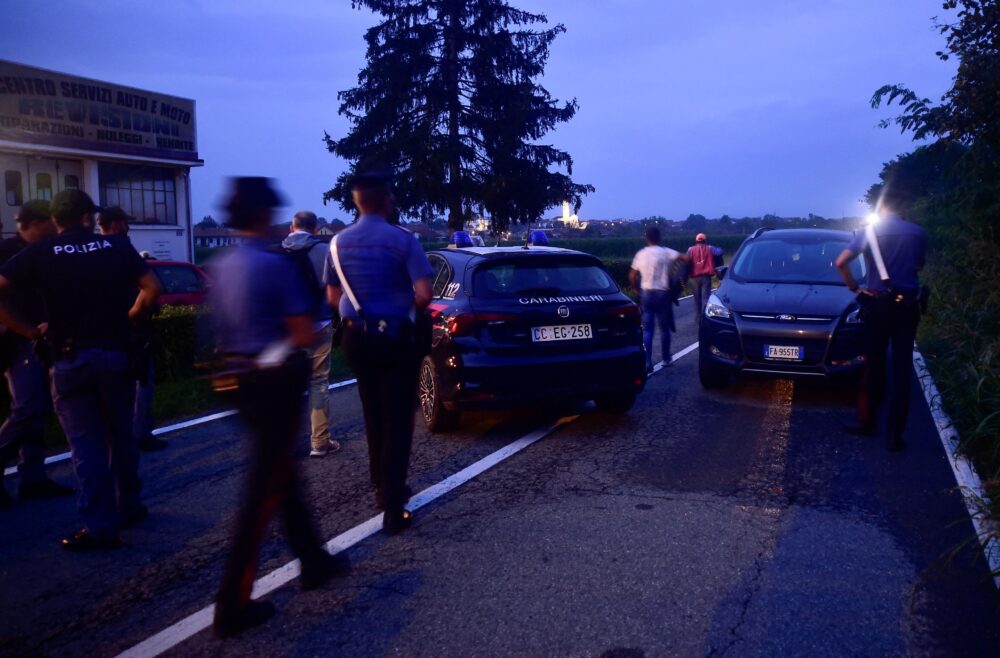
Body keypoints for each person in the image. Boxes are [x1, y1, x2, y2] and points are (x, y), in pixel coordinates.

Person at [209, 177, 347, 638]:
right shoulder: (273, 267)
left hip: (238, 381)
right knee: (262, 490)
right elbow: (303, 333)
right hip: (274, 382)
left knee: (282, 475)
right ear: (264, 218)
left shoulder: (223, 264)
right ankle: (232, 602)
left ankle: (313, 560)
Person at [0, 189, 160, 549]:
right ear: (88, 217)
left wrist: (28, 330)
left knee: (86, 444)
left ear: (56, 220)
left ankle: (101, 527)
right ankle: (129, 506)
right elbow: (152, 287)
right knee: (121, 434)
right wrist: (131, 316)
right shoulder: (117, 247)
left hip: (70, 359)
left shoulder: (40, 253)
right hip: (116, 354)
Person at [325, 167, 433, 534]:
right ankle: (392, 504)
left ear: (356, 202)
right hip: (395, 339)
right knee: (399, 419)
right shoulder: (402, 240)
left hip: (357, 340)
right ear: (386, 201)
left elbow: (332, 297)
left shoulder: (337, 244)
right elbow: (424, 295)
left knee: (373, 414)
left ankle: (377, 486)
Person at [835, 190, 928, 452]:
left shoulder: (869, 232)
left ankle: (869, 423)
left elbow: (841, 262)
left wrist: (856, 288)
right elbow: (919, 266)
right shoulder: (917, 233)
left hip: (877, 304)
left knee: (874, 364)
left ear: (881, 207)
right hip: (907, 306)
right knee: (902, 369)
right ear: (902, 208)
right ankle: (895, 435)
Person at [0, 200, 74, 509]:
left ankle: (33, 477)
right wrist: (26, 331)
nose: (54, 226)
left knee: (39, 409)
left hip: (40, 343)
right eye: (49, 222)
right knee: (27, 408)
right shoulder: (8, 253)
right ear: (32, 223)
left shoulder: (47, 251)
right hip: (17, 344)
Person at [97, 207, 167, 452]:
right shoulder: (122, 249)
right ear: (116, 224)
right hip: (132, 330)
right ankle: (140, 433)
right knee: (142, 382)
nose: (129, 228)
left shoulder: (93, 251)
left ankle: (118, 435)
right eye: (126, 223)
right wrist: (135, 313)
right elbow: (150, 287)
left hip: (103, 334)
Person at [281, 211, 339, 458]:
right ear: (315, 229)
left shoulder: (278, 251)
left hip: (286, 328)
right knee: (318, 382)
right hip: (319, 323)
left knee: (286, 385)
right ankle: (319, 442)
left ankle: (285, 444)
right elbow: (334, 289)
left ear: (292, 228)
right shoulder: (324, 251)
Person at [629, 226, 688, 372]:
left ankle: (648, 362)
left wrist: (635, 289)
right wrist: (680, 278)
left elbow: (632, 275)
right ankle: (666, 358)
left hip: (647, 294)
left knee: (648, 330)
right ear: (659, 237)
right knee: (664, 329)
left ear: (646, 238)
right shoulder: (666, 252)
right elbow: (686, 258)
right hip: (663, 294)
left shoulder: (641, 254)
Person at [686, 232, 724, 322]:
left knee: (696, 298)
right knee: (706, 298)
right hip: (706, 277)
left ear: (696, 241)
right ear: (704, 240)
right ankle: (706, 317)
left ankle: (698, 317)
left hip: (694, 278)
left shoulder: (690, 249)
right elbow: (720, 252)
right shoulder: (710, 248)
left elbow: (686, 259)